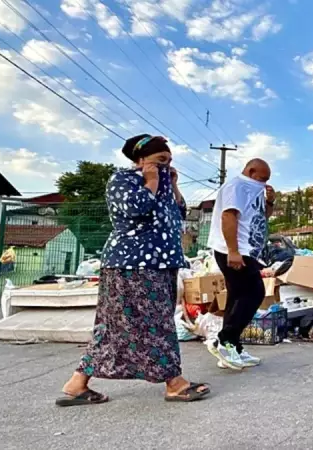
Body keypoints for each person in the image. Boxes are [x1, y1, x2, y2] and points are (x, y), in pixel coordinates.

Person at [56, 134, 210, 406]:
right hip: (132, 264)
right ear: (140, 160)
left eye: (170, 161)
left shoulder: (163, 182)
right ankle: (174, 383)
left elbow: (179, 212)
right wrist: (151, 181)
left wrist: (172, 185)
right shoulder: (122, 180)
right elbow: (136, 208)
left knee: (122, 326)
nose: (166, 166)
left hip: (159, 264)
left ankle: (77, 383)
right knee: (154, 324)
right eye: (160, 160)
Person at [205, 159, 274, 370]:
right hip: (235, 251)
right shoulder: (236, 186)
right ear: (251, 171)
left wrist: (270, 202)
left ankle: (232, 348)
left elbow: (261, 218)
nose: (263, 183)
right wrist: (233, 251)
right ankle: (224, 341)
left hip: (247, 250)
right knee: (254, 293)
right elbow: (229, 216)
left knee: (236, 297)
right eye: (262, 178)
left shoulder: (253, 190)